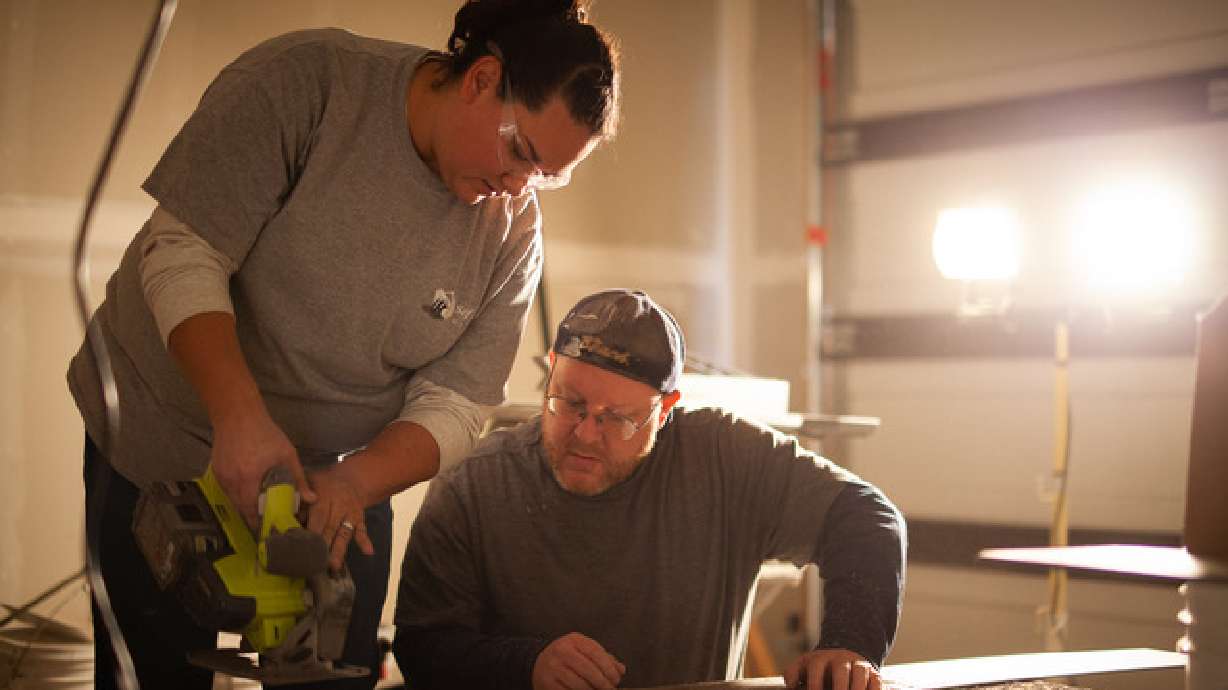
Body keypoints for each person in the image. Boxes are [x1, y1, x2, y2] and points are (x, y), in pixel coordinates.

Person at [66, 2, 620, 688]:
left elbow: (459, 401)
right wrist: (239, 418)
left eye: (546, 176)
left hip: (334, 486)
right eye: (520, 153)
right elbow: (183, 252)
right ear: (482, 79)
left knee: (334, 671)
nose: (518, 186)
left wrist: (357, 482)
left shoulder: (512, 228)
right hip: (164, 443)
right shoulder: (310, 85)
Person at [393, 289, 907, 690]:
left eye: (617, 418)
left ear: (665, 411)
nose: (585, 434)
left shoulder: (723, 459)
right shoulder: (475, 487)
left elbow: (866, 518)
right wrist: (524, 666)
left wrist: (850, 645)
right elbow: (421, 648)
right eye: (569, 402)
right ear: (550, 371)